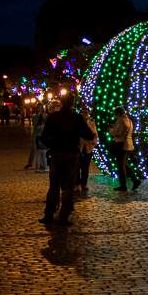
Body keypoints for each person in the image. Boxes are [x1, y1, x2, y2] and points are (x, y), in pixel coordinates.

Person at [39, 94, 95, 226]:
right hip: (71, 154)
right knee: (68, 185)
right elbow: (88, 134)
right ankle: (64, 215)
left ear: (61, 103)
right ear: (72, 103)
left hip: (57, 153)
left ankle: (49, 214)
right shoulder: (76, 118)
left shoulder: (53, 117)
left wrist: (51, 145)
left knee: (54, 185)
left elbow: (44, 137)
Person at [109, 107, 141, 192]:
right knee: (124, 164)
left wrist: (111, 130)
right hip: (129, 145)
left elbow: (117, 133)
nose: (115, 116)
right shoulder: (129, 121)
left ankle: (123, 185)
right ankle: (135, 180)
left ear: (118, 113)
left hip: (121, 145)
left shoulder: (121, 120)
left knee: (120, 166)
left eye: (115, 114)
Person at [77, 106, 98, 193]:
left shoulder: (91, 123)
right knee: (77, 168)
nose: (84, 115)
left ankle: (84, 184)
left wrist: (93, 143)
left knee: (85, 168)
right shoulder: (77, 123)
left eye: (86, 113)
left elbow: (95, 135)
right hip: (79, 148)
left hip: (88, 148)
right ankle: (77, 184)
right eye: (82, 113)